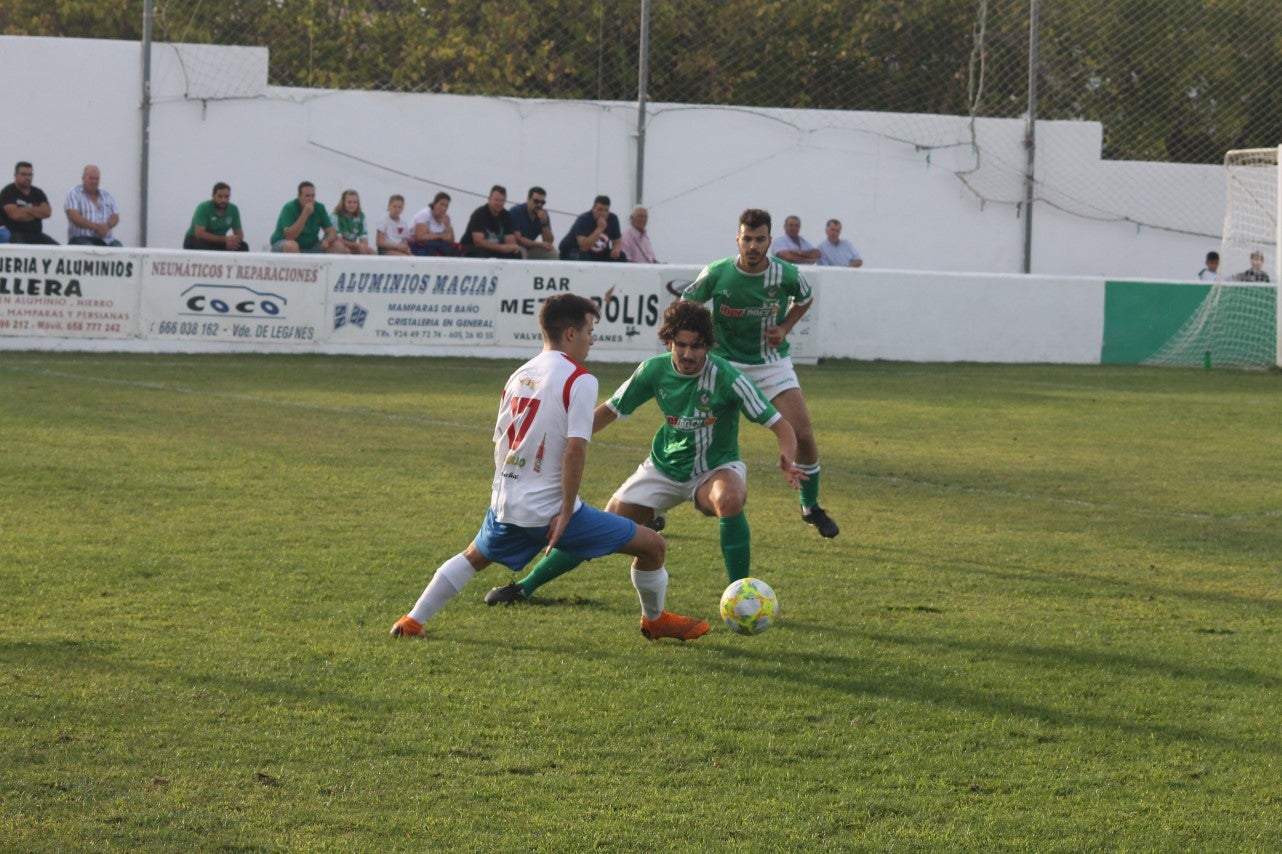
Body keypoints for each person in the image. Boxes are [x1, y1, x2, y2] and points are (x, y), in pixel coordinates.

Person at [390, 293, 709, 642]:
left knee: (473, 557)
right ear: (571, 334)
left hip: (506, 503)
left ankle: (411, 621)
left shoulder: (519, 374)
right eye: (590, 330)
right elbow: (575, 449)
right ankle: (655, 621)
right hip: (548, 510)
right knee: (653, 546)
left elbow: (501, 440)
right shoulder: (580, 379)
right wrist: (566, 511)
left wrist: (507, 492)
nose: (592, 339)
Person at [485, 300, 806, 606]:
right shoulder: (653, 371)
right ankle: (525, 587)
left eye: (696, 346)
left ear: (707, 345)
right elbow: (609, 411)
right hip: (663, 468)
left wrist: (786, 456)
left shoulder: (728, 378)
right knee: (602, 526)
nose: (688, 353)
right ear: (669, 342)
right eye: (680, 345)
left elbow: (781, 425)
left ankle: (742, 595)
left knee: (729, 499)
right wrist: (564, 440)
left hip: (714, 470)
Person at [681, 208, 839, 539]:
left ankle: (810, 507)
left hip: (770, 364)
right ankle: (652, 506)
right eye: (747, 239)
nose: (753, 246)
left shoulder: (786, 274)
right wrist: (703, 341)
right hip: (724, 364)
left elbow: (806, 299)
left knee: (804, 435)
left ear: (770, 240)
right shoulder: (718, 273)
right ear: (737, 239)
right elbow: (688, 304)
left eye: (760, 240)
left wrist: (785, 326)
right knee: (688, 432)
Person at [270, 181, 348, 254]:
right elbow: (290, 236)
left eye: (313, 196)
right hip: (284, 244)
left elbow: (331, 232)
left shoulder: (319, 207)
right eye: (307, 196)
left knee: (338, 246)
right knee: (292, 246)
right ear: (299, 196)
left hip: (311, 246)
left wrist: (327, 241)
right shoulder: (289, 208)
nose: (310, 199)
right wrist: (305, 214)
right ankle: (297, 268)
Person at [0, 161, 58, 245]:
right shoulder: (8, 192)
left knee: (59, 250)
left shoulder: (38, 192)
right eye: (23, 174)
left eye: (30, 174)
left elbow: (47, 212)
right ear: (15, 175)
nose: (27, 177)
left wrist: (24, 210)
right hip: (15, 235)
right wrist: (36, 212)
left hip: (37, 235)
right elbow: (15, 215)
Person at [64, 165, 122, 246]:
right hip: (81, 239)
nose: (94, 181)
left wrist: (107, 226)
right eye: (91, 178)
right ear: (83, 178)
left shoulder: (107, 195)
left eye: (96, 179)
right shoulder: (74, 194)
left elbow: (115, 216)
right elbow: (74, 216)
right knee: (91, 251)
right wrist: (96, 227)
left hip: (106, 240)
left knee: (119, 250)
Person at [460, 185, 521, 259]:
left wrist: (513, 247)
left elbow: (510, 239)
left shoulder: (506, 215)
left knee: (516, 254)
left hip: (496, 249)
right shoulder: (479, 214)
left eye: (502, 201)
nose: (499, 203)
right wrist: (501, 248)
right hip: (474, 248)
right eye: (496, 200)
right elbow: (478, 241)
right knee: (483, 253)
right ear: (489, 199)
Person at [558, 195, 625, 262]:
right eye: (600, 210)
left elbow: (617, 242)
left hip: (596, 252)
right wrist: (600, 229)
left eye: (606, 210)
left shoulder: (613, 219)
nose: (603, 213)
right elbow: (583, 247)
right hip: (573, 249)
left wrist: (616, 250)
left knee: (621, 256)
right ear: (593, 208)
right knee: (583, 256)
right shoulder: (584, 219)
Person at [183, 182, 246, 251]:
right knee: (202, 245)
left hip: (219, 241)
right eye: (220, 196)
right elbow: (199, 234)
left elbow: (239, 234)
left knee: (243, 246)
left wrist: (233, 241)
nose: (223, 200)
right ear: (213, 196)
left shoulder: (233, 209)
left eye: (226, 197)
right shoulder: (203, 207)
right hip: (195, 240)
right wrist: (225, 239)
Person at [509, 186, 557, 260]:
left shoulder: (543, 214)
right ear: (528, 200)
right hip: (514, 246)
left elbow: (548, 241)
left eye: (542, 202)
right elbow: (518, 239)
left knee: (552, 253)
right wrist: (539, 244)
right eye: (536, 201)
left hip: (530, 248)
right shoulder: (517, 211)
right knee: (522, 252)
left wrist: (544, 224)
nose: (539, 205)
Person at [408, 191, 462, 256]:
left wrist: (448, 226)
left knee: (455, 251)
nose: (444, 208)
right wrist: (440, 236)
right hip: (418, 246)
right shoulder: (425, 214)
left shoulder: (446, 218)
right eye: (441, 205)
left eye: (446, 206)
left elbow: (451, 240)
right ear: (435, 204)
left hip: (436, 246)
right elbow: (419, 237)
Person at [333, 189, 377, 255]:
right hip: (335, 246)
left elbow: (364, 240)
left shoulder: (361, 216)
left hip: (351, 246)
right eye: (349, 202)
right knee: (345, 250)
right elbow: (337, 240)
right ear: (343, 202)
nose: (352, 205)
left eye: (355, 202)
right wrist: (357, 245)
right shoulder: (336, 216)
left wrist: (363, 247)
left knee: (372, 252)